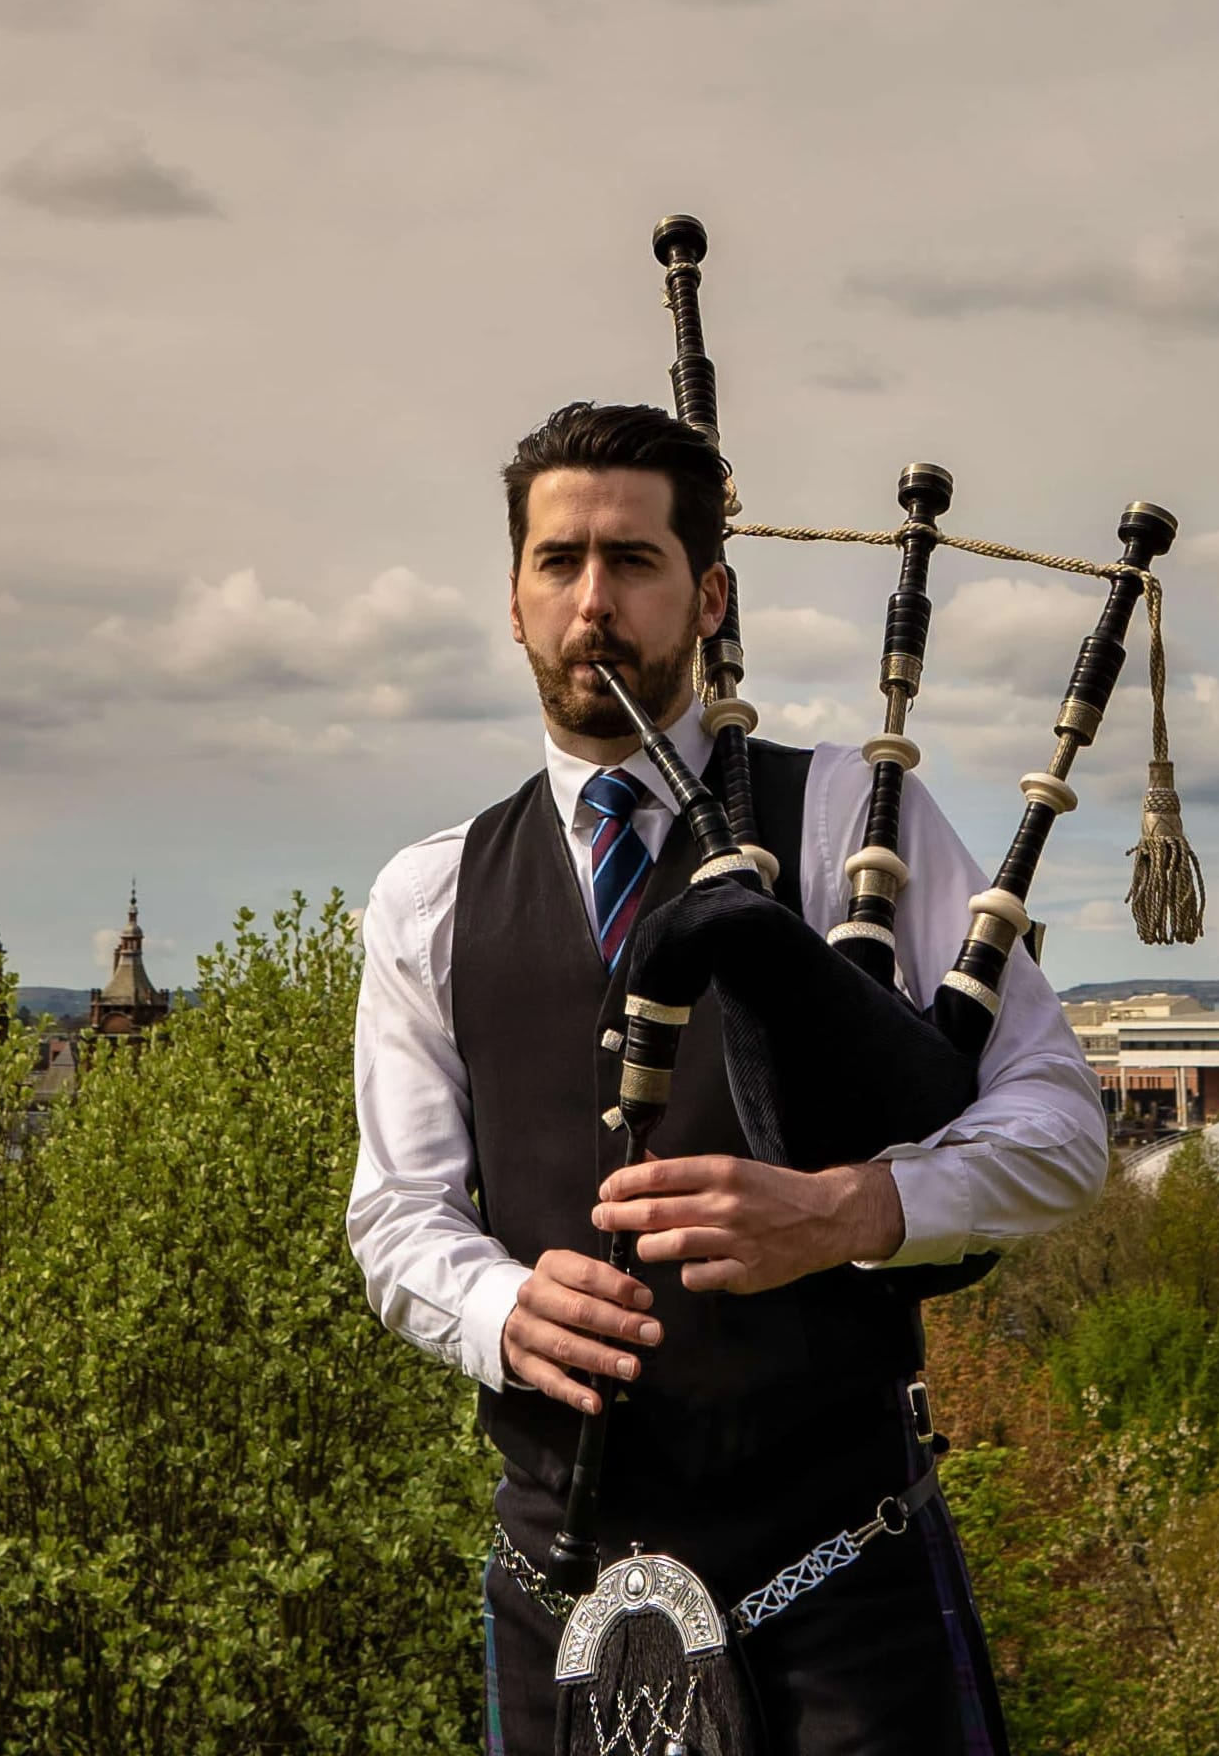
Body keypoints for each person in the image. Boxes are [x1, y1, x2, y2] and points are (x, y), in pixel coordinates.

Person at [348, 402, 1106, 1755]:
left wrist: (852, 1212)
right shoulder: (429, 897)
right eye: (559, 563)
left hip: (841, 1580)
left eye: (633, 563)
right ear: (513, 603)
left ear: (706, 595)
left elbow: (1057, 1129)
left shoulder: (844, 829)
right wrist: (504, 1307)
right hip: (561, 1586)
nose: (595, 604)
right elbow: (396, 1219)